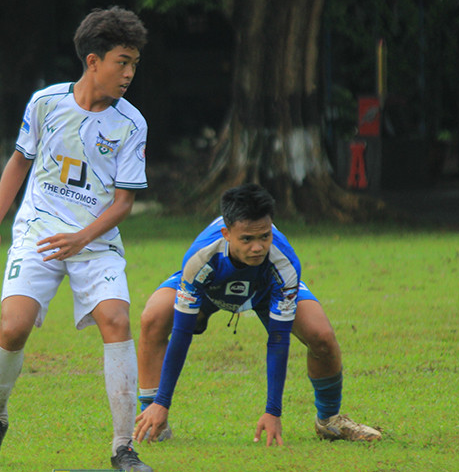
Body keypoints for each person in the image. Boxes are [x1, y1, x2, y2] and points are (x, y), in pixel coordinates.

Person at [0, 6, 153, 472]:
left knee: (117, 320)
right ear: (93, 61)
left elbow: (124, 203)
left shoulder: (131, 124)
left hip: (95, 237)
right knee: (13, 327)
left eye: (134, 63)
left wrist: (83, 237)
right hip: (38, 231)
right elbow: (18, 163)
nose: (130, 73)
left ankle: (123, 447)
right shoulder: (46, 103)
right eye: (122, 62)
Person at [133, 183, 382, 447]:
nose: (257, 247)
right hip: (211, 288)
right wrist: (162, 402)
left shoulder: (283, 262)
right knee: (153, 316)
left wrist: (273, 411)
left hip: (265, 291)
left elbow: (278, 339)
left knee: (322, 336)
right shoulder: (201, 259)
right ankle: (152, 417)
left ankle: (330, 421)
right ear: (226, 234)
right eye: (247, 239)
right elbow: (182, 334)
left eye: (264, 236)